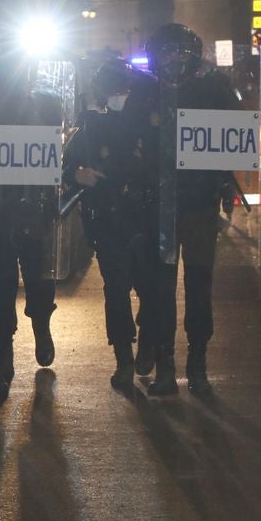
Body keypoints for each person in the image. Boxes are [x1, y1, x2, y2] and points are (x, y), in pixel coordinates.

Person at [126, 23, 239, 397]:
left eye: (182, 53)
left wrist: (224, 190)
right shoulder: (142, 96)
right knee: (160, 290)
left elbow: (232, 140)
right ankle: (165, 364)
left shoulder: (212, 91)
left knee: (199, 285)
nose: (175, 60)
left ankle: (198, 362)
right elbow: (129, 150)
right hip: (157, 207)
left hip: (198, 204)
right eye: (168, 53)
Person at [0, 60, 63, 404]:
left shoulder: (45, 103)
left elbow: (54, 149)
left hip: (33, 210)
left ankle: (41, 324)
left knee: (39, 282)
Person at [63, 59, 149, 389]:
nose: (119, 96)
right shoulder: (90, 130)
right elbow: (62, 167)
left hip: (144, 221)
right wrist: (76, 175)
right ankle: (124, 358)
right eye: (114, 91)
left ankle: (149, 345)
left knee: (149, 290)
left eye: (124, 90)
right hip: (108, 223)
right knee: (116, 290)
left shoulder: (146, 127)